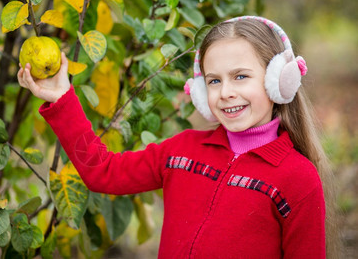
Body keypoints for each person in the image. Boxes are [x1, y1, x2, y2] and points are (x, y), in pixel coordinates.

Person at [18, 16, 338, 258]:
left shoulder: (297, 178)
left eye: (241, 76)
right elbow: (102, 171)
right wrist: (61, 98)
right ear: (200, 91)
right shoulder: (183, 151)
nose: (226, 92)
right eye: (213, 81)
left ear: (278, 81)